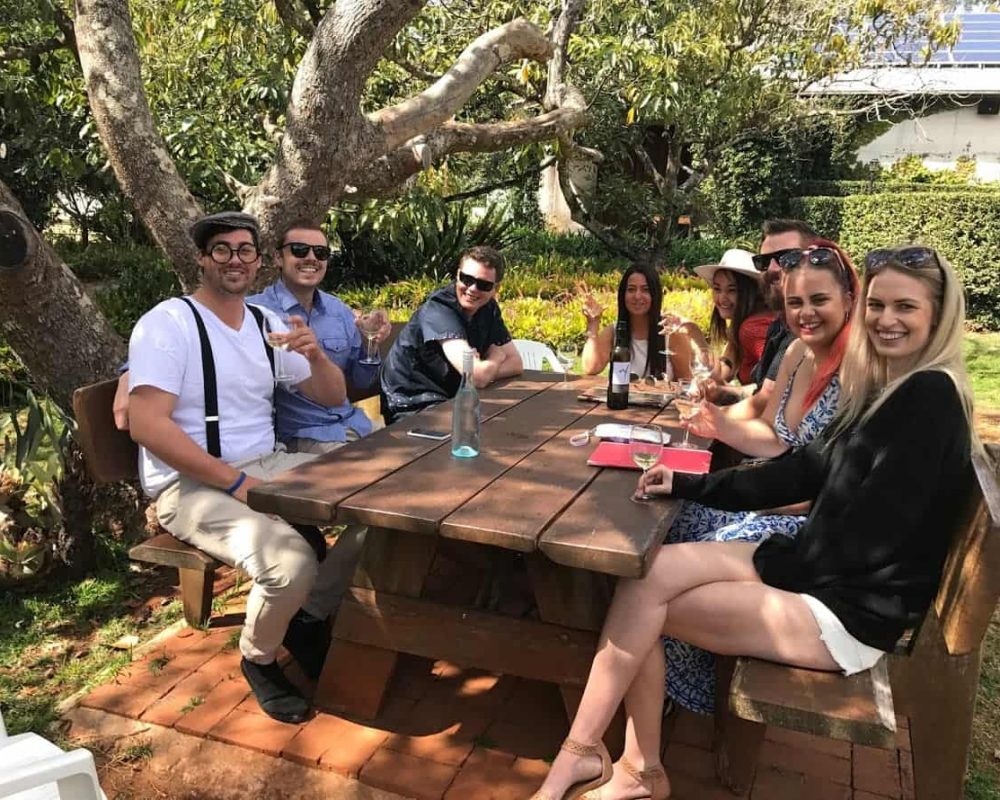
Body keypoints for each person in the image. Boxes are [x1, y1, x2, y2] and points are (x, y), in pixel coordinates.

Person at [529, 245, 978, 800]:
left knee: (643, 608)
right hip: (816, 568)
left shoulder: (930, 398)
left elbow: (872, 540)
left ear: (938, 315)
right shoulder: (888, 388)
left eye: (905, 307)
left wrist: (769, 559)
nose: (887, 320)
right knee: (644, 576)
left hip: (845, 611)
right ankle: (608, 760)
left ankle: (614, 768)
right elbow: (800, 471)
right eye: (879, 306)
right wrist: (689, 483)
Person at [126, 211, 351, 725]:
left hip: (267, 463)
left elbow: (332, 396)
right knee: (290, 563)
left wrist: (317, 357)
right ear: (202, 259)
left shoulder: (264, 323)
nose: (235, 259)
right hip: (189, 483)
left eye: (245, 250)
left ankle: (306, 617)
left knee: (378, 506)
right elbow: (147, 425)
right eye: (222, 249)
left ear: (258, 261)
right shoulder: (169, 323)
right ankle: (259, 657)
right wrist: (238, 482)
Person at [661, 240, 859, 716]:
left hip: (804, 523)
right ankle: (665, 663)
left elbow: (830, 484)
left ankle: (698, 684)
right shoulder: (796, 352)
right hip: (772, 489)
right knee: (671, 518)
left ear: (849, 299)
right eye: (795, 302)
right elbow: (772, 435)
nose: (805, 313)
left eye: (818, 300)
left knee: (674, 556)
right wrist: (714, 423)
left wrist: (756, 500)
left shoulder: (858, 371)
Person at [247, 221, 390, 453]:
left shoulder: (338, 310)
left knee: (419, 454)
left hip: (355, 425)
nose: (311, 258)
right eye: (299, 250)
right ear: (278, 258)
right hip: (303, 436)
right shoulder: (253, 312)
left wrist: (369, 342)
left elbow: (362, 382)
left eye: (320, 252)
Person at [380, 245, 523, 424]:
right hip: (412, 405)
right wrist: (495, 357)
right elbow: (475, 376)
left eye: (483, 285)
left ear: (496, 288)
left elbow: (516, 363)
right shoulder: (439, 309)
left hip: (452, 400)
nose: (472, 289)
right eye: (466, 279)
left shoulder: (488, 308)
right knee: (487, 429)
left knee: (512, 422)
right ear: (457, 275)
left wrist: (485, 370)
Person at [698, 218, 820, 412]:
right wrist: (720, 392)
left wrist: (712, 413)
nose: (773, 268)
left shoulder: (754, 327)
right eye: (764, 262)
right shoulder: (777, 326)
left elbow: (769, 398)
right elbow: (764, 390)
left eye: (787, 258)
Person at [579, 261, 693, 382]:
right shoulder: (614, 331)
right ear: (623, 295)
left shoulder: (672, 334)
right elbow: (591, 368)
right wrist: (593, 324)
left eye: (645, 290)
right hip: (621, 394)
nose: (637, 296)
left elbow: (686, 382)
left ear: (655, 295)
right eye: (631, 289)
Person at [689, 248, 773, 386]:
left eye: (732, 290)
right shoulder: (741, 325)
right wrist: (694, 332)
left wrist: (729, 393)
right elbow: (722, 374)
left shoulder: (753, 327)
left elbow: (776, 385)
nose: (722, 298)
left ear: (750, 292)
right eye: (717, 289)